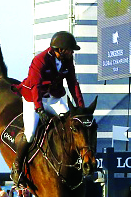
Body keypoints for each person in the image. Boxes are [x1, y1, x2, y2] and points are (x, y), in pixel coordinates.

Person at [10, 30, 85, 187]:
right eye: (70, 50)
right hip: (33, 98)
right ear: (60, 50)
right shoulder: (40, 60)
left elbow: (73, 84)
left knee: (72, 122)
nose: (72, 53)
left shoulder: (67, 61)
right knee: (30, 133)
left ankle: (72, 161)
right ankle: (17, 167)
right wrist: (39, 109)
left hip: (53, 98)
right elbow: (35, 86)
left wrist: (80, 107)